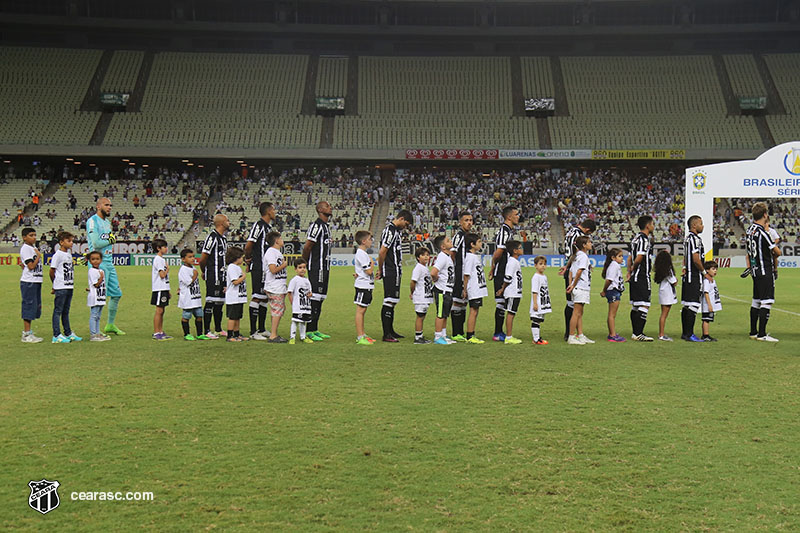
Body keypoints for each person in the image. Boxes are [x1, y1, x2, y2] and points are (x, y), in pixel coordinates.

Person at [87, 198, 124, 335]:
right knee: (99, 298)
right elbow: (96, 243)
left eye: (110, 205)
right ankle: (95, 331)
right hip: (98, 264)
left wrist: (110, 240)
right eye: (106, 205)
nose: (109, 207)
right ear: (98, 206)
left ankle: (110, 325)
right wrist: (110, 239)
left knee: (116, 294)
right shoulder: (92, 221)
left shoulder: (107, 222)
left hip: (109, 262)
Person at [746, 202, 781, 342]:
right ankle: (762, 334)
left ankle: (753, 331)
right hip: (765, 270)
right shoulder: (763, 232)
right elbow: (777, 252)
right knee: (766, 301)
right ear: (765, 215)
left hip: (755, 270)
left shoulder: (750, 230)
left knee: (756, 301)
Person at [377, 209, 413, 342]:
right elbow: (382, 252)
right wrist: (381, 269)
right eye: (406, 224)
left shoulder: (396, 232)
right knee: (389, 300)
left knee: (393, 302)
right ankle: (386, 334)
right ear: (401, 219)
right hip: (390, 270)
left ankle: (390, 331)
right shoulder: (390, 231)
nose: (406, 227)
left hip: (395, 270)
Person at [559, 219, 596, 342]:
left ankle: (576, 334)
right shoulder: (579, 238)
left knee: (574, 305)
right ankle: (570, 333)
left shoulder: (570, 232)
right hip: (576, 275)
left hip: (571, 269)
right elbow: (576, 256)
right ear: (587, 230)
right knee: (574, 306)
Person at [302, 201, 333, 341]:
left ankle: (315, 328)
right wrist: (303, 263)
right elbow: (308, 246)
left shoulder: (326, 227)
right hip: (316, 267)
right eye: (327, 206)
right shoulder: (316, 226)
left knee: (320, 299)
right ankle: (309, 330)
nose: (330, 208)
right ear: (320, 210)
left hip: (325, 268)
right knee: (314, 299)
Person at [245, 202, 275, 340]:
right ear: (268, 211)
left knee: (264, 298)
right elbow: (249, 244)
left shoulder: (269, 228)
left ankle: (262, 329)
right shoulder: (259, 226)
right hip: (259, 266)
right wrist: (249, 259)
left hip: (266, 269)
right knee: (257, 296)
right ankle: (253, 332)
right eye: (273, 209)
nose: (275, 212)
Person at [488, 206, 519, 342]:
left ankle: (500, 332)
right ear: (509, 217)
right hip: (501, 271)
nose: (518, 217)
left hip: (504, 270)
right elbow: (499, 251)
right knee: (501, 303)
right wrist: (493, 265)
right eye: (516, 214)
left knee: (504, 303)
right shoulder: (504, 232)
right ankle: (498, 332)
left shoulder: (508, 232)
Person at [200, 213, 230, 339]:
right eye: (227, 220)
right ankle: (206, 330)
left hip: (223, 275)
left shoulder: (223, 238)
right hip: (213, 275)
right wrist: (205, 272)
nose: (229, 222)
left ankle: (218, 328)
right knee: (211, 301)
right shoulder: (212, 237)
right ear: (221, 223)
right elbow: (203, 258)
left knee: (220, 302)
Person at [50, 231, 81, 343]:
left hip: (69, 285)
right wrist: (55, 284)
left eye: (72, 241)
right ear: (61, 242)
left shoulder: (68, 254)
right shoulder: (57, 255)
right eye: (69, 241)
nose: (71, 243)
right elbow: (52, 271)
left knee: (66, 311)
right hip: (61, 286)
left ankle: (68, 333)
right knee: (58, 311)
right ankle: (56, 335)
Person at [628, 215, 655, 341]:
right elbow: (639, 257)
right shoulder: (644, 240)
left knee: (635, 305)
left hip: (634, 277)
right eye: (652, 224)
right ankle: (639, 333)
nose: (653, 226)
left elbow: (629, 258)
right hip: (642, 276)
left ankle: (635, 333)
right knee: (644, 305)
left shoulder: (635, 239)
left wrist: (629, 272)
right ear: (648, 225)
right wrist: (634, 268)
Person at [681, 215, 707, 342]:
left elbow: (686, 258)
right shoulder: (695, 239)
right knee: (693, 305)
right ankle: (690, 334)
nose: (703, 226)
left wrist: (685, 267)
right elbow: (696, 259)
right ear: (694, 225)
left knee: (686, 305)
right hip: (694, 276)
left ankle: (685, 333)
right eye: (701, 224)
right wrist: (704, 271)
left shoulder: (687, 239)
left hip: (688, 276)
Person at [449, 213, 473, 342]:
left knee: (464, 302)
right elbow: (452, 253)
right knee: (457, 301)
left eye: (470, 220)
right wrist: (454, 270)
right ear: (460, 222)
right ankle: (455, 332)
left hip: (466, 275)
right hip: (459, 274)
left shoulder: (467, 236)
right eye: (466, 220)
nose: (469, 223)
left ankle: (461, 331)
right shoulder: (459, 236)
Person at [566, 235, 594, 345]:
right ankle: (571, 336)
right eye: (589, 242)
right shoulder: (583, 256)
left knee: (579, 313)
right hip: (581, 287)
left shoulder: (576, 256)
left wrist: (570, 285)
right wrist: (573, 285)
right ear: (584, 245)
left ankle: (580, 335)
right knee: (576, 313)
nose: (591, 244)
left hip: (578, 287)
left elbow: (571, 272)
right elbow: (578, 272)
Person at [496, 239, 524, 345]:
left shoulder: (514, 261)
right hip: (512, 292)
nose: (522, 249)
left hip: (516, 292)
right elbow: (508, 277)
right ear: (515, 251)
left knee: (512, 313)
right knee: (511, 313)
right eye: (520, 247)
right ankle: (508, 337)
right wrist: (502, 289)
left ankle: (509, 335)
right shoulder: (512, 262)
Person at [177, 248, 209, 341]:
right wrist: (195, 275)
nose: (193, 259)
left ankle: (199, 334)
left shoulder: (193, 268)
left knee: (199, 316)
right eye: (190, 257)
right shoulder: (183, 270)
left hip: (196, 297)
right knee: (186, 316)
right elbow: (188, 282)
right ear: (183, 259)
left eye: (193, 256)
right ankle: (186, 334)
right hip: (188, 298)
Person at [263, 231, 289, 343]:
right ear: (276, 240)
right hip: (274, 287)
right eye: (281, 238)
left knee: (278, 310)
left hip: (279, 286)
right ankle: (273, 335)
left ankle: (274, 333)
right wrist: (283, 265)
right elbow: (273, 270)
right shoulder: (271, 252)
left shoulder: (276, 252)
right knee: (277, 310)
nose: (282, 240)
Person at [462, 233, 488, 344]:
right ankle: (470, 335)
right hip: (474, 288)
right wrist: (465, 289)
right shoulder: (470, 257)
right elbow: (466, 274)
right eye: (479, 242)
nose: (481, 244)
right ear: (472, 244)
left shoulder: (474, 256)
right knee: (473, 311)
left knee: (475, 311)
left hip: (478, 287)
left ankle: (471, 333)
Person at [19, 227, 44, 343]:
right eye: (31, 235)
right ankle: (26, 334)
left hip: (35, 280)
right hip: (29, 281)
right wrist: (38, 256)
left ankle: (29, 333)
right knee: (29, 306)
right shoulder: (26, 249)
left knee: (35, 307)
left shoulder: (32, 248)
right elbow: (31, 266)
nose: (34, 237)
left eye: (35, 235)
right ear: (24, 237)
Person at [431, 234, 455, 345]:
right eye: (448, 241)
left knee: (445, 314)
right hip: (442, 290)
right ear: (443, 247)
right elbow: (433, 272)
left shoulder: (447, 257)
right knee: (440, 314)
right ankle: (437, 336)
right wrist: (437, 280)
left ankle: (443, 335)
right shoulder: (442, 257)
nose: (450, 241)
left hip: (448, 289)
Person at [353, 230, 376, 345]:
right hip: (363, 286)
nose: (371, 241)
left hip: (367, 286)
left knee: (363, 310)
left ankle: (363, 334)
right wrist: (372, 263)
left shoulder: (363, 253)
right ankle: (360, 336)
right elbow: (368, 271)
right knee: (360, 311)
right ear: (363, 241)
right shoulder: (361, 254)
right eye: (370, 239)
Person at [601, 247, 626, 343]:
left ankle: (612, 333)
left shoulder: (615, 265)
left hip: (615, 291)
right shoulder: (614, 265)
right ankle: (612, 335)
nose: (622, 258)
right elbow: (609, 280)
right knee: (612, 314)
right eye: (619, 256)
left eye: (622, 256)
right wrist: (604, 290)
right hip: (613, 291)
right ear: (613, 257)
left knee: (612, 314)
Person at [409, 247, 434, 344]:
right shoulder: (418, 268)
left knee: (422, 316)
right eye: (423, 255)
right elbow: (413, 282)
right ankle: (418, 337)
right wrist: (412, 292)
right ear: (418, 257)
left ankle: (420, 335)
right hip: (421, 297)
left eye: (427, 255)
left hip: (426, 296)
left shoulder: (425, 268)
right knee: (420, 316)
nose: (426, 257)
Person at [287, 258, 314, 344]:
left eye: (304, 267)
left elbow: (309, 292)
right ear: (295, 269)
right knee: (295, 321)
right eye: (300, 267)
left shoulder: (306, 280)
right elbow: (289, 292)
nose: (302, 269)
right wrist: (293, 303)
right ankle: (292, 337)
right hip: (298, 305)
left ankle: (303, 336)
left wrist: (310, 294)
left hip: (305, 305)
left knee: (303, 322)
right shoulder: (294, 280)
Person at [225, 246, 248, 342]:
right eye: (241, 257)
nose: (242, 259)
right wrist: (244, 276)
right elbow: (235, 282)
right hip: (233, 297)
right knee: (232, 317)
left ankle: (237, 334)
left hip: (239, 297)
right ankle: (230, 335)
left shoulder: (237, 267)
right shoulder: (232, 267)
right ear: (236, 257)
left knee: (238, 317)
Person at [151, 239, 172, 341]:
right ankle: (156, 332)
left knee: (162, 310)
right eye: (164, 247)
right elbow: (162, 275)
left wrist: (168, 290)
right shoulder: (158, 260)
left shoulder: (162, 259)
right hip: (159, 288)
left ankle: (160, 331)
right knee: (159, 310)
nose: (166, 248)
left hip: (163, 288)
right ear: (158, 248)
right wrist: (167, 269)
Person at [654, 250, 677, 342]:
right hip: (667, 294)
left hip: (663, 292)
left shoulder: (661, 269)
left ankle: (661, 334)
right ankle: (661, 334)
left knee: (663, 314)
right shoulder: (668, 269)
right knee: (664, 315)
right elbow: (674, 282)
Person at [87, 251, 110, 342]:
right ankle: (93, 334)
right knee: (94, 315)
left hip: (100, 296)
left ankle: (97, 333)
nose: (95, 261)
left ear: (101, 260)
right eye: (93, 259)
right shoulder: (92, 271)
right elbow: (96, 284)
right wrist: (101, 278)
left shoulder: (100, 270)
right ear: (90, 261)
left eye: (97, 259)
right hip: (95, 297)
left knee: (98, 316)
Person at [529, 255, 551, 345]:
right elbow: (534, 291)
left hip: (542, 302)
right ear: (535, 265)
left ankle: (537, 337)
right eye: (540, 264)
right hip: (537, 302)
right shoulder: (536, 277)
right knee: (535, 319)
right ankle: (536, 339)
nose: (543, 266)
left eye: (544, 264)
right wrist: (535, 303)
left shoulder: (544, 276)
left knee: (539, 320)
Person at [701, 260, 722, 342]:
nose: (715, 271)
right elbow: (706, 292)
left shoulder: (712, 280)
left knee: (708, 319)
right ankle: (705, 335)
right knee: (706, 319)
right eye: (713, 269)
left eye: (716, 269)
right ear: (707, 270)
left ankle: (706, 334)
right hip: (707, 304)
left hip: (712, 303)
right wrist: (709, 305)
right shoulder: (707, 281)